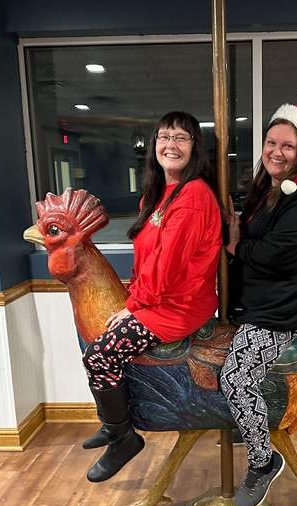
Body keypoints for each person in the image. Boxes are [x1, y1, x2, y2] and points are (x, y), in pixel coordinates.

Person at [81, 111, 222, 482]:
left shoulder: (192, 196)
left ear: (195, 149)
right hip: (157, 299)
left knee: (99, 355)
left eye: (181, 138)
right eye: (164, 137)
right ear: (154, 146)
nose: (170, 145)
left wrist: (133, 307)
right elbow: (145, 258)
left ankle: (123, 438)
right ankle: (113, 426)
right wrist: (134, 296)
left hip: (179, 307)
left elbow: (168, 268)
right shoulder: (158, 193)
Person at [220, 104, 297, 506]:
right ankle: (248, 425)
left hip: (287, 307)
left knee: (235, 378)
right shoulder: (269, 186)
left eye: (287, 145)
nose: (277, 151)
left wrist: (237, 246)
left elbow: (277, 253)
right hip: (264, 300)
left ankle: (262, 462)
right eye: (271, 142)